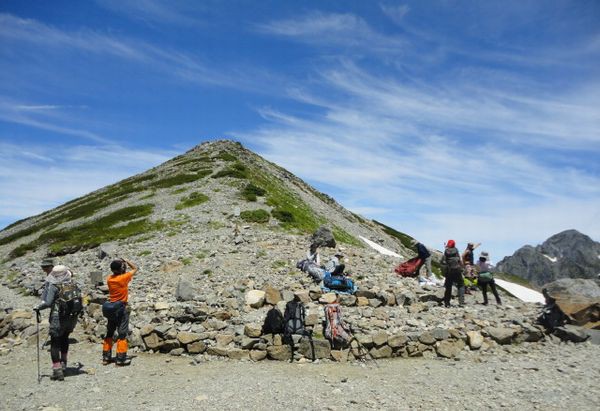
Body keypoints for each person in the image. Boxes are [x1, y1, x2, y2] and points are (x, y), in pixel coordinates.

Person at [33, 263, 78, 381]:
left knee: (55, 342)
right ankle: (64, 364)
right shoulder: (73, 284)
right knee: (65, 339)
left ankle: (57, 371)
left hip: (57, 317)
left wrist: (38, 308)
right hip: (71, 318)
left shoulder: (54, 286)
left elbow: (47, 303)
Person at [102, 258, 138, 366]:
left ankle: (106, 357)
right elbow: (135, 268)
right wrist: (127, 260)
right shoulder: (123, 278)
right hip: (121, 308)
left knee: (110, 332)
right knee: (122, 333)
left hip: (111, 308)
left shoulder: (109, 279)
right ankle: (120, 358)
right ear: (121, 268)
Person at [441, 240, 465, 307]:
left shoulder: (446, 251)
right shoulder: (456, 251)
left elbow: (443, 262)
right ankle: (461, 302)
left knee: (448, 287)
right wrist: (462, 269)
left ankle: (447, 303)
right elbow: (460, 261)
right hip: (457, 270)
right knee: (461, 284)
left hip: (449, 271)